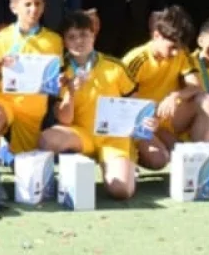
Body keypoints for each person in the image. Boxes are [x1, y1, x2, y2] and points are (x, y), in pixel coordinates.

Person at [0, 0, 62, 209]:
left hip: (33, 108)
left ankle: (5, 152)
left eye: (38, 4)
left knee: (25, 169)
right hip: (5, 101)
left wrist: (60, 83)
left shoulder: (54, 41)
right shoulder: (1, 38)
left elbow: (54, 84)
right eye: (27, 4)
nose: (33, 9)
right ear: (14, 8)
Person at [37, 12, 142, 200]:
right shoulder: (60, 72)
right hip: (81, 134)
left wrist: (141, 123)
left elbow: (135, 102)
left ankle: (126, 164)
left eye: (84, 34)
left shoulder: (115, 66)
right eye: (72, 37)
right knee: (47, 139)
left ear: (94, 35)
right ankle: (56, 178)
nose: (79, 41)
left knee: (122, 191)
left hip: (113, 138)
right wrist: (70, 90)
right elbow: (64, 120)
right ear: (64, 42)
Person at [121, 6, 209, 159]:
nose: (176, 52)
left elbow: (196, 87)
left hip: (168, 118)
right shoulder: (136, 60)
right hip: (141, 121)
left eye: (179, 47)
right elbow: (121, 102)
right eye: (172, 47)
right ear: (156, 35)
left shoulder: (182, 53)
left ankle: (195, 161)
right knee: (159, 159)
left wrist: (174, 96)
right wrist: (144, 120)